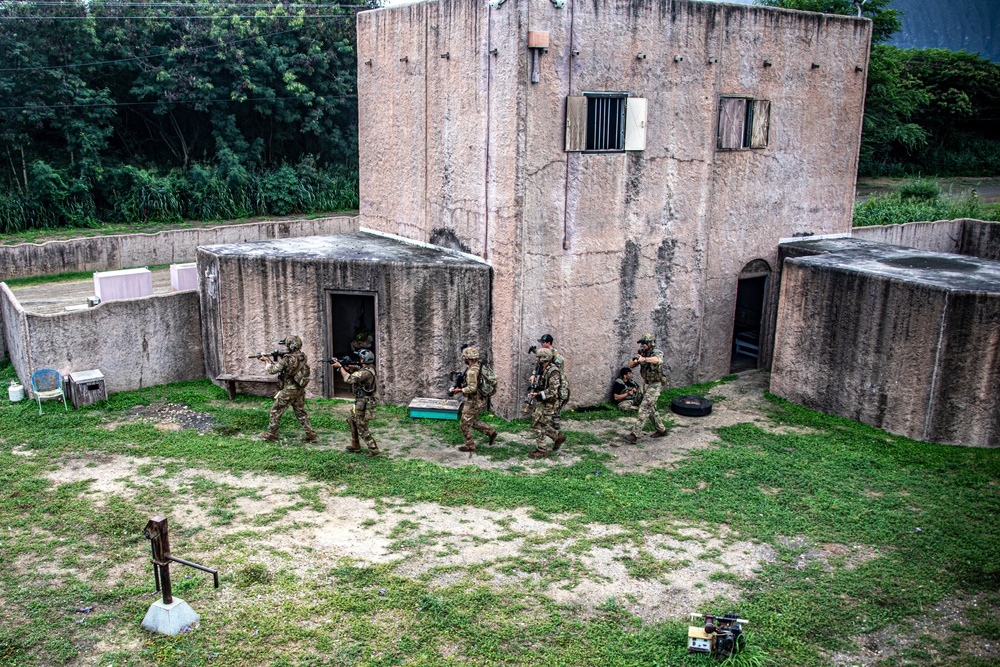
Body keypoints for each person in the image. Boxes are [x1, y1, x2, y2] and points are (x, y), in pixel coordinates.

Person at [257, 334, 317, 442]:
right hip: (299, 389)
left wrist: (266, 361)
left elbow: (272, 370)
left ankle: (272, 434)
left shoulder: (287, 360)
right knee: (300, 413)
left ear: (290, 345)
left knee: (276, 411)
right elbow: (293, 365)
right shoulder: (303, 356)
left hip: (289, 390)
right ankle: (310, 434)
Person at [619, 333, 669, 445]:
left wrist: (644, 359)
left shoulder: (657, 352)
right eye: (642, 343)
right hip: (646, 384)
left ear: (651, 343)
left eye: (645, 343)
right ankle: (662, 430)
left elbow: (658, 360)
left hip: (655, 385)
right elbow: (631, 365)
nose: (643, 345)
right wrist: (636, 359)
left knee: (644, 408)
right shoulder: (642, 353)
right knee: (651, 409)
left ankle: (634, 435)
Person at [331, 349, 380, 457]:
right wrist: (350, 367)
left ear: (363, 359)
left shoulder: (366, 373)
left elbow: (349, 379)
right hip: (360, 400)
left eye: (360, 358)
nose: (359, 359)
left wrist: (340, 368)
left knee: (361, 426)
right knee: (351, 420)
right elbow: (359, 370)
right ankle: (355, 444)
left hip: (363, 402)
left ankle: (374, 450)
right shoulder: (370, 367)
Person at [449, 346, 498, 452]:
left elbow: (472, 388)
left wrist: (460, 390)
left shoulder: (471, 371)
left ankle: (470, 445)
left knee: (464, 422)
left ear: (467, 358)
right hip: (480, 398)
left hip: (474, 400)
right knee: (471, 420)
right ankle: (490, 432)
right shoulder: (478, 366)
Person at [528, 347, 566, 458]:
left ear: (544, 358)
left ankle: (542, 450)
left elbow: (553, 391)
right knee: (541, 423)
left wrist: (538, 394)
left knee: (536, 425)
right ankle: (557, 437)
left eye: (538, 357)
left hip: (549, 402)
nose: (536, 359)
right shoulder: (542, 368)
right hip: (543, 401)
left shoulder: (553, 371)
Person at [532, 333, 569, 429]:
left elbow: (559, 371)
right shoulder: (542, 353)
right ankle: (542, 417)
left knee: (556, 399)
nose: (541, 344)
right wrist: (533, 375)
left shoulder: (557, 356)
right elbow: (537, 365)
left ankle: (556, 419)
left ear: (548, 343)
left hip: (555, 378)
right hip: (544, 379)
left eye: (543, 342)